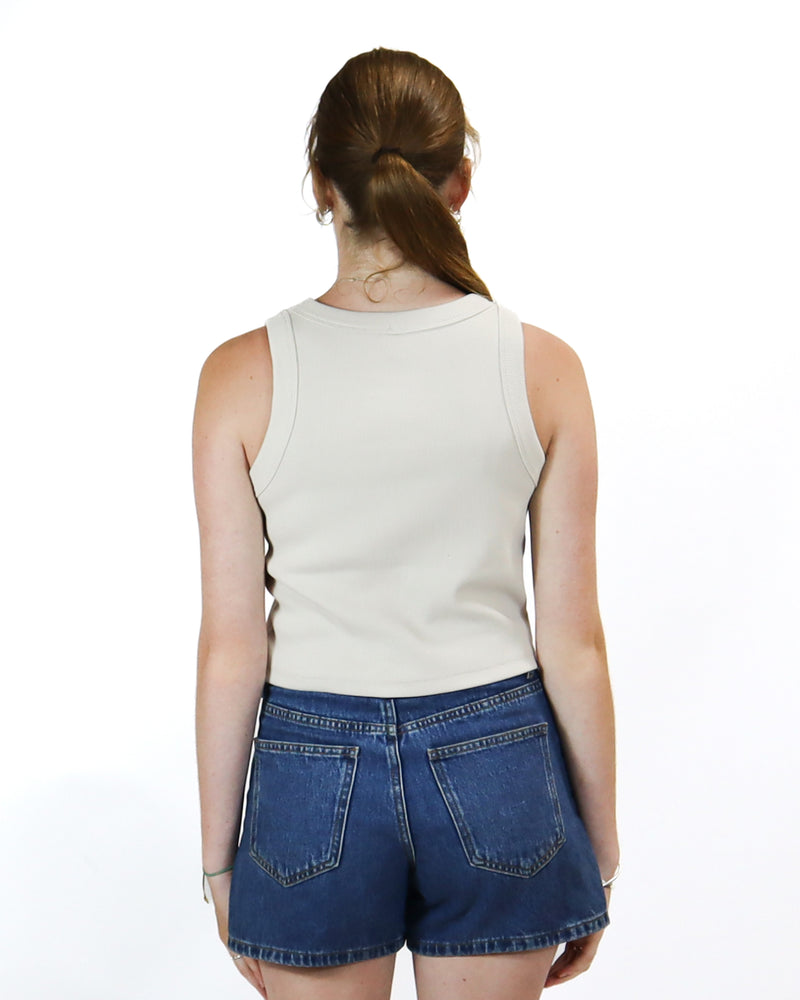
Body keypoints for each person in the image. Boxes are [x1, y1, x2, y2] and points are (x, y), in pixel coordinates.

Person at [192, 47, 620, 1000]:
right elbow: (575, 645)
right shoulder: (543, 368)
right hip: (501, 759)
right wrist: (600, 846)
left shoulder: (240, 378)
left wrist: (220, 862)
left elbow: (232, 646)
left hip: (310, 770)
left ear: (319, 184)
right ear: (459, 181)